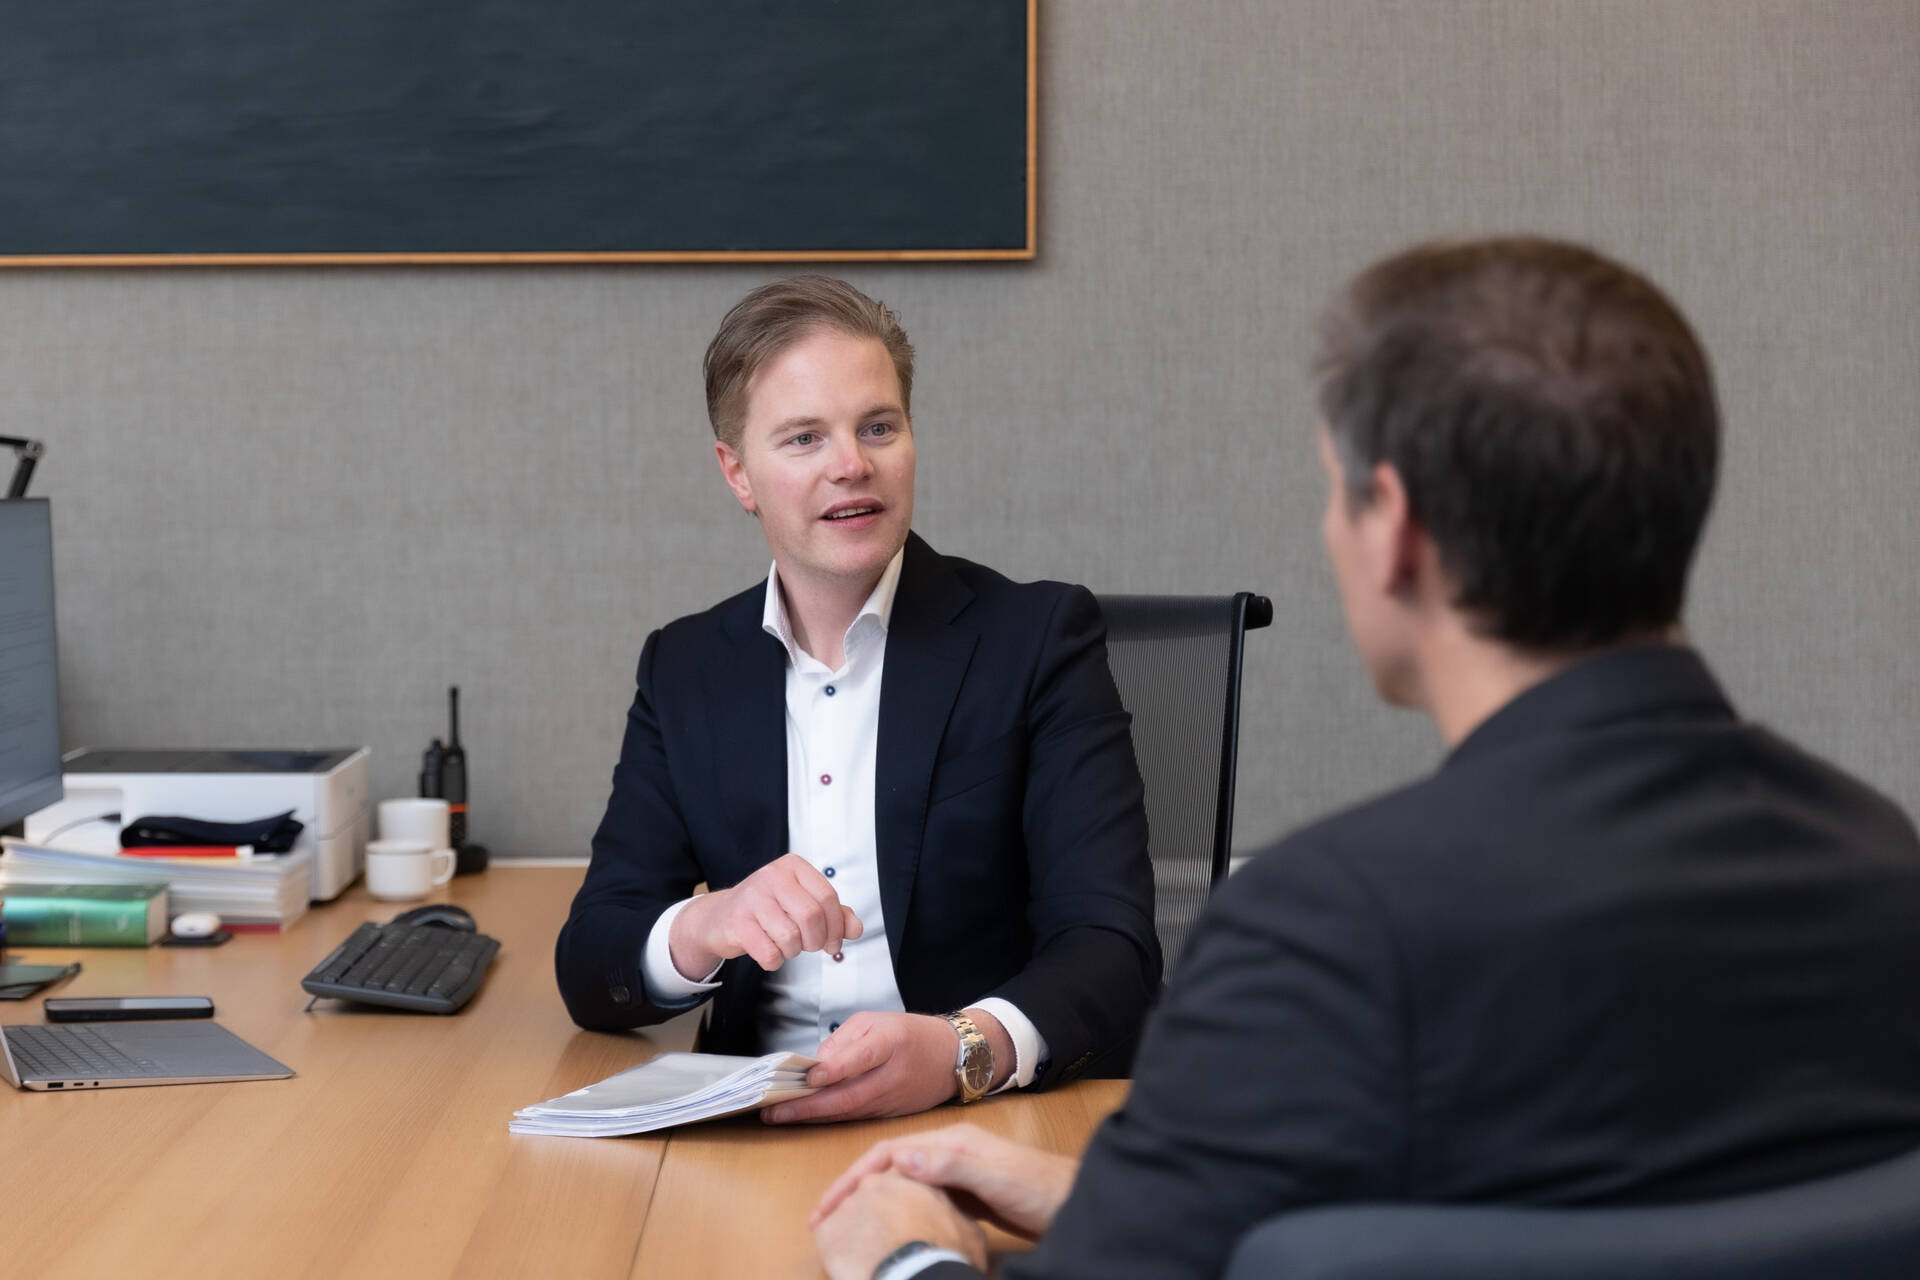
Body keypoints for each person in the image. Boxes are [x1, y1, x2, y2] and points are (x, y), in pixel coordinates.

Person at [811, 237, 1920, 1278]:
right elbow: (1588, 1199)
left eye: (1337, 489)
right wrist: (1111, 1193)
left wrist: (911, 1258)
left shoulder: (1329, 928)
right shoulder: (1879, 860)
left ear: (1396, 528)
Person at [555, 276, 1161, 1123]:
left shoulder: (1037, 638)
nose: (852, 464)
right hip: (751, 1122)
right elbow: (592, 963)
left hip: (975, 1116)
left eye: (878, 426)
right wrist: (707, 926)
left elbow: (1112, 948)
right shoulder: (685, 666)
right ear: (738, 472)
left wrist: (960, 1051)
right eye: (805, 438)